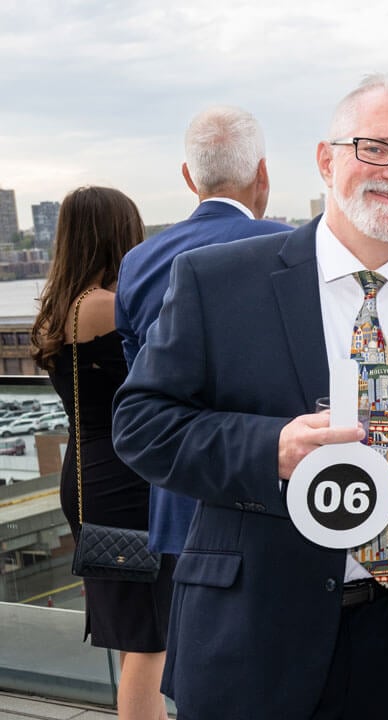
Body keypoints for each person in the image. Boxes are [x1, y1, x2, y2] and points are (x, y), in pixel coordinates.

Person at [112, 74, 388, 719]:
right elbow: (140, 424)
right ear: (327, 159)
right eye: (375, 148)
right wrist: (269, 446)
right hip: (256, 642)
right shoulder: (219, 283)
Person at [116, 105, 291, 565]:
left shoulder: (137, 263)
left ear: (189, 178)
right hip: (271, 503)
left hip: (177, 504)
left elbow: (141, 389)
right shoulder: (294, 250)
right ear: (263, 174)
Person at [31, 186, 168, 720]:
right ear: (119, 235)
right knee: (148, 637)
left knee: (139, 632)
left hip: (87, 471)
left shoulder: (58, 310)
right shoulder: (110, 307)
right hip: (124, 476)